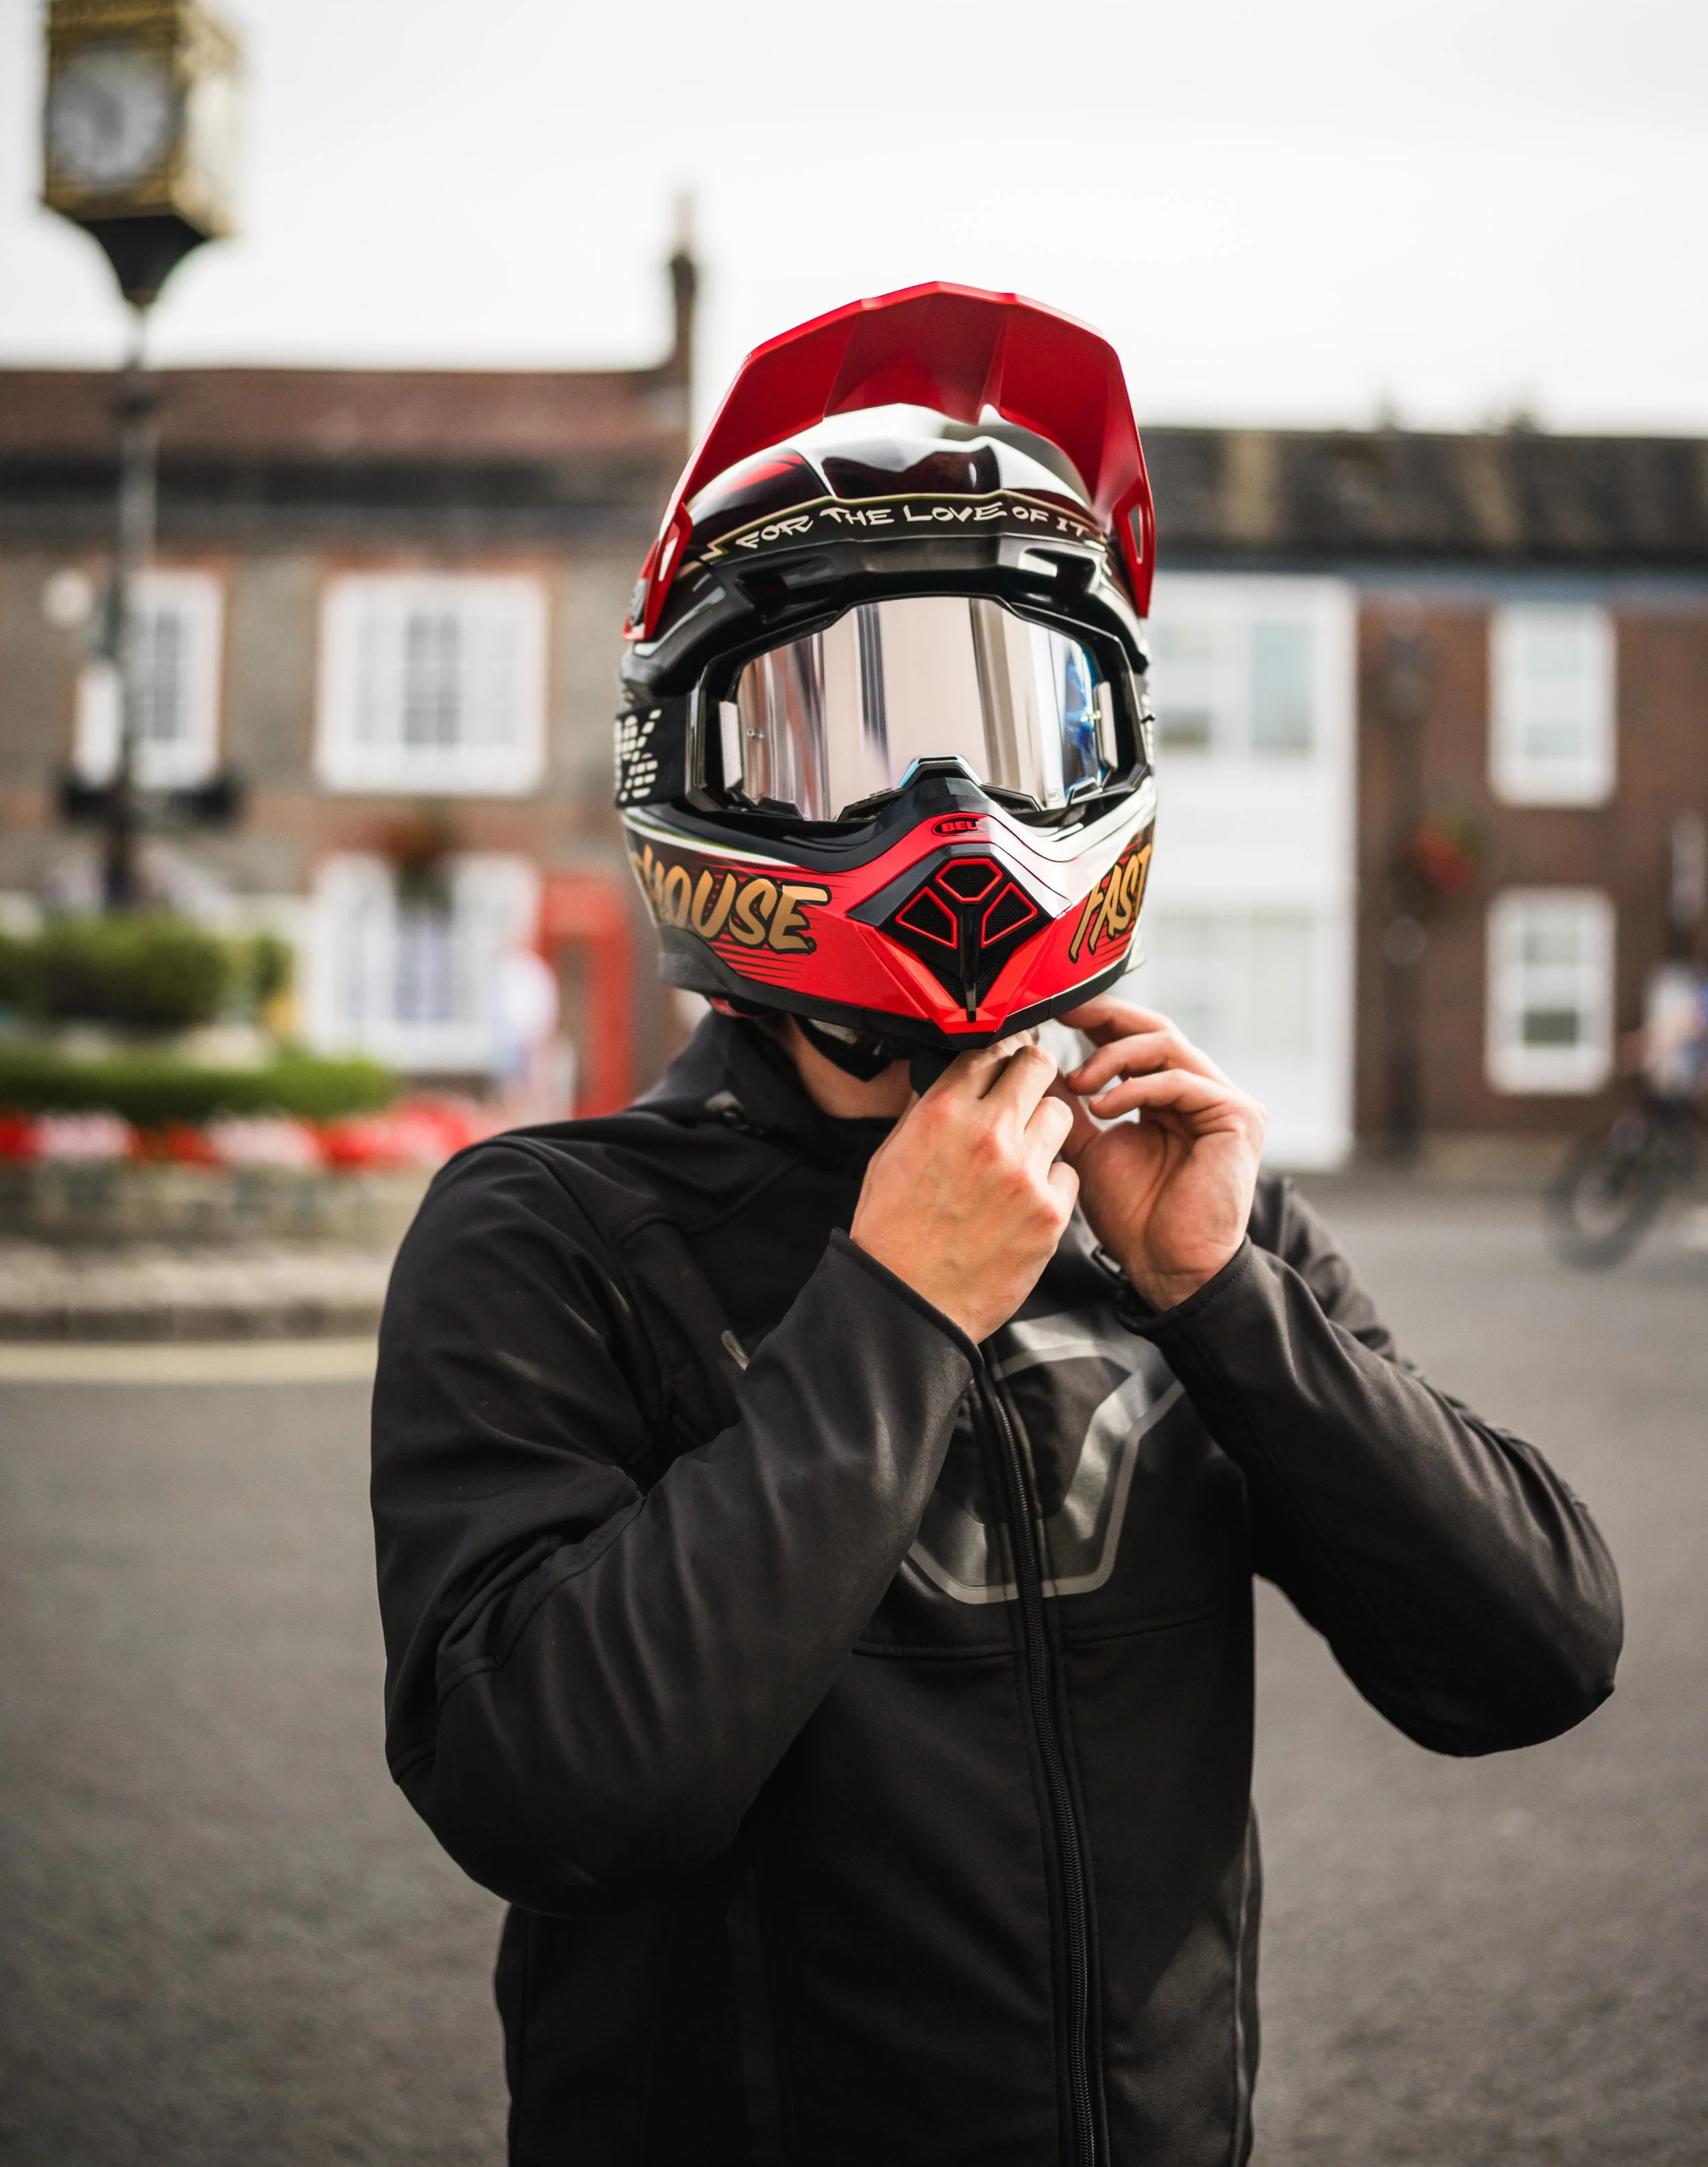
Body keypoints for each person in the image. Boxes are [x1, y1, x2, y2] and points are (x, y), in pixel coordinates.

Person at [371, 284, 1621, 2167]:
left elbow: (1531, 1650)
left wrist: (1220, 1292)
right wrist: (890, 1302)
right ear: (694, 776)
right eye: (844, 730)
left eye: (1002, 715)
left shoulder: (1179, 1209)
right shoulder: (549, 1229)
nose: (944, 794)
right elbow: (552, 1785)